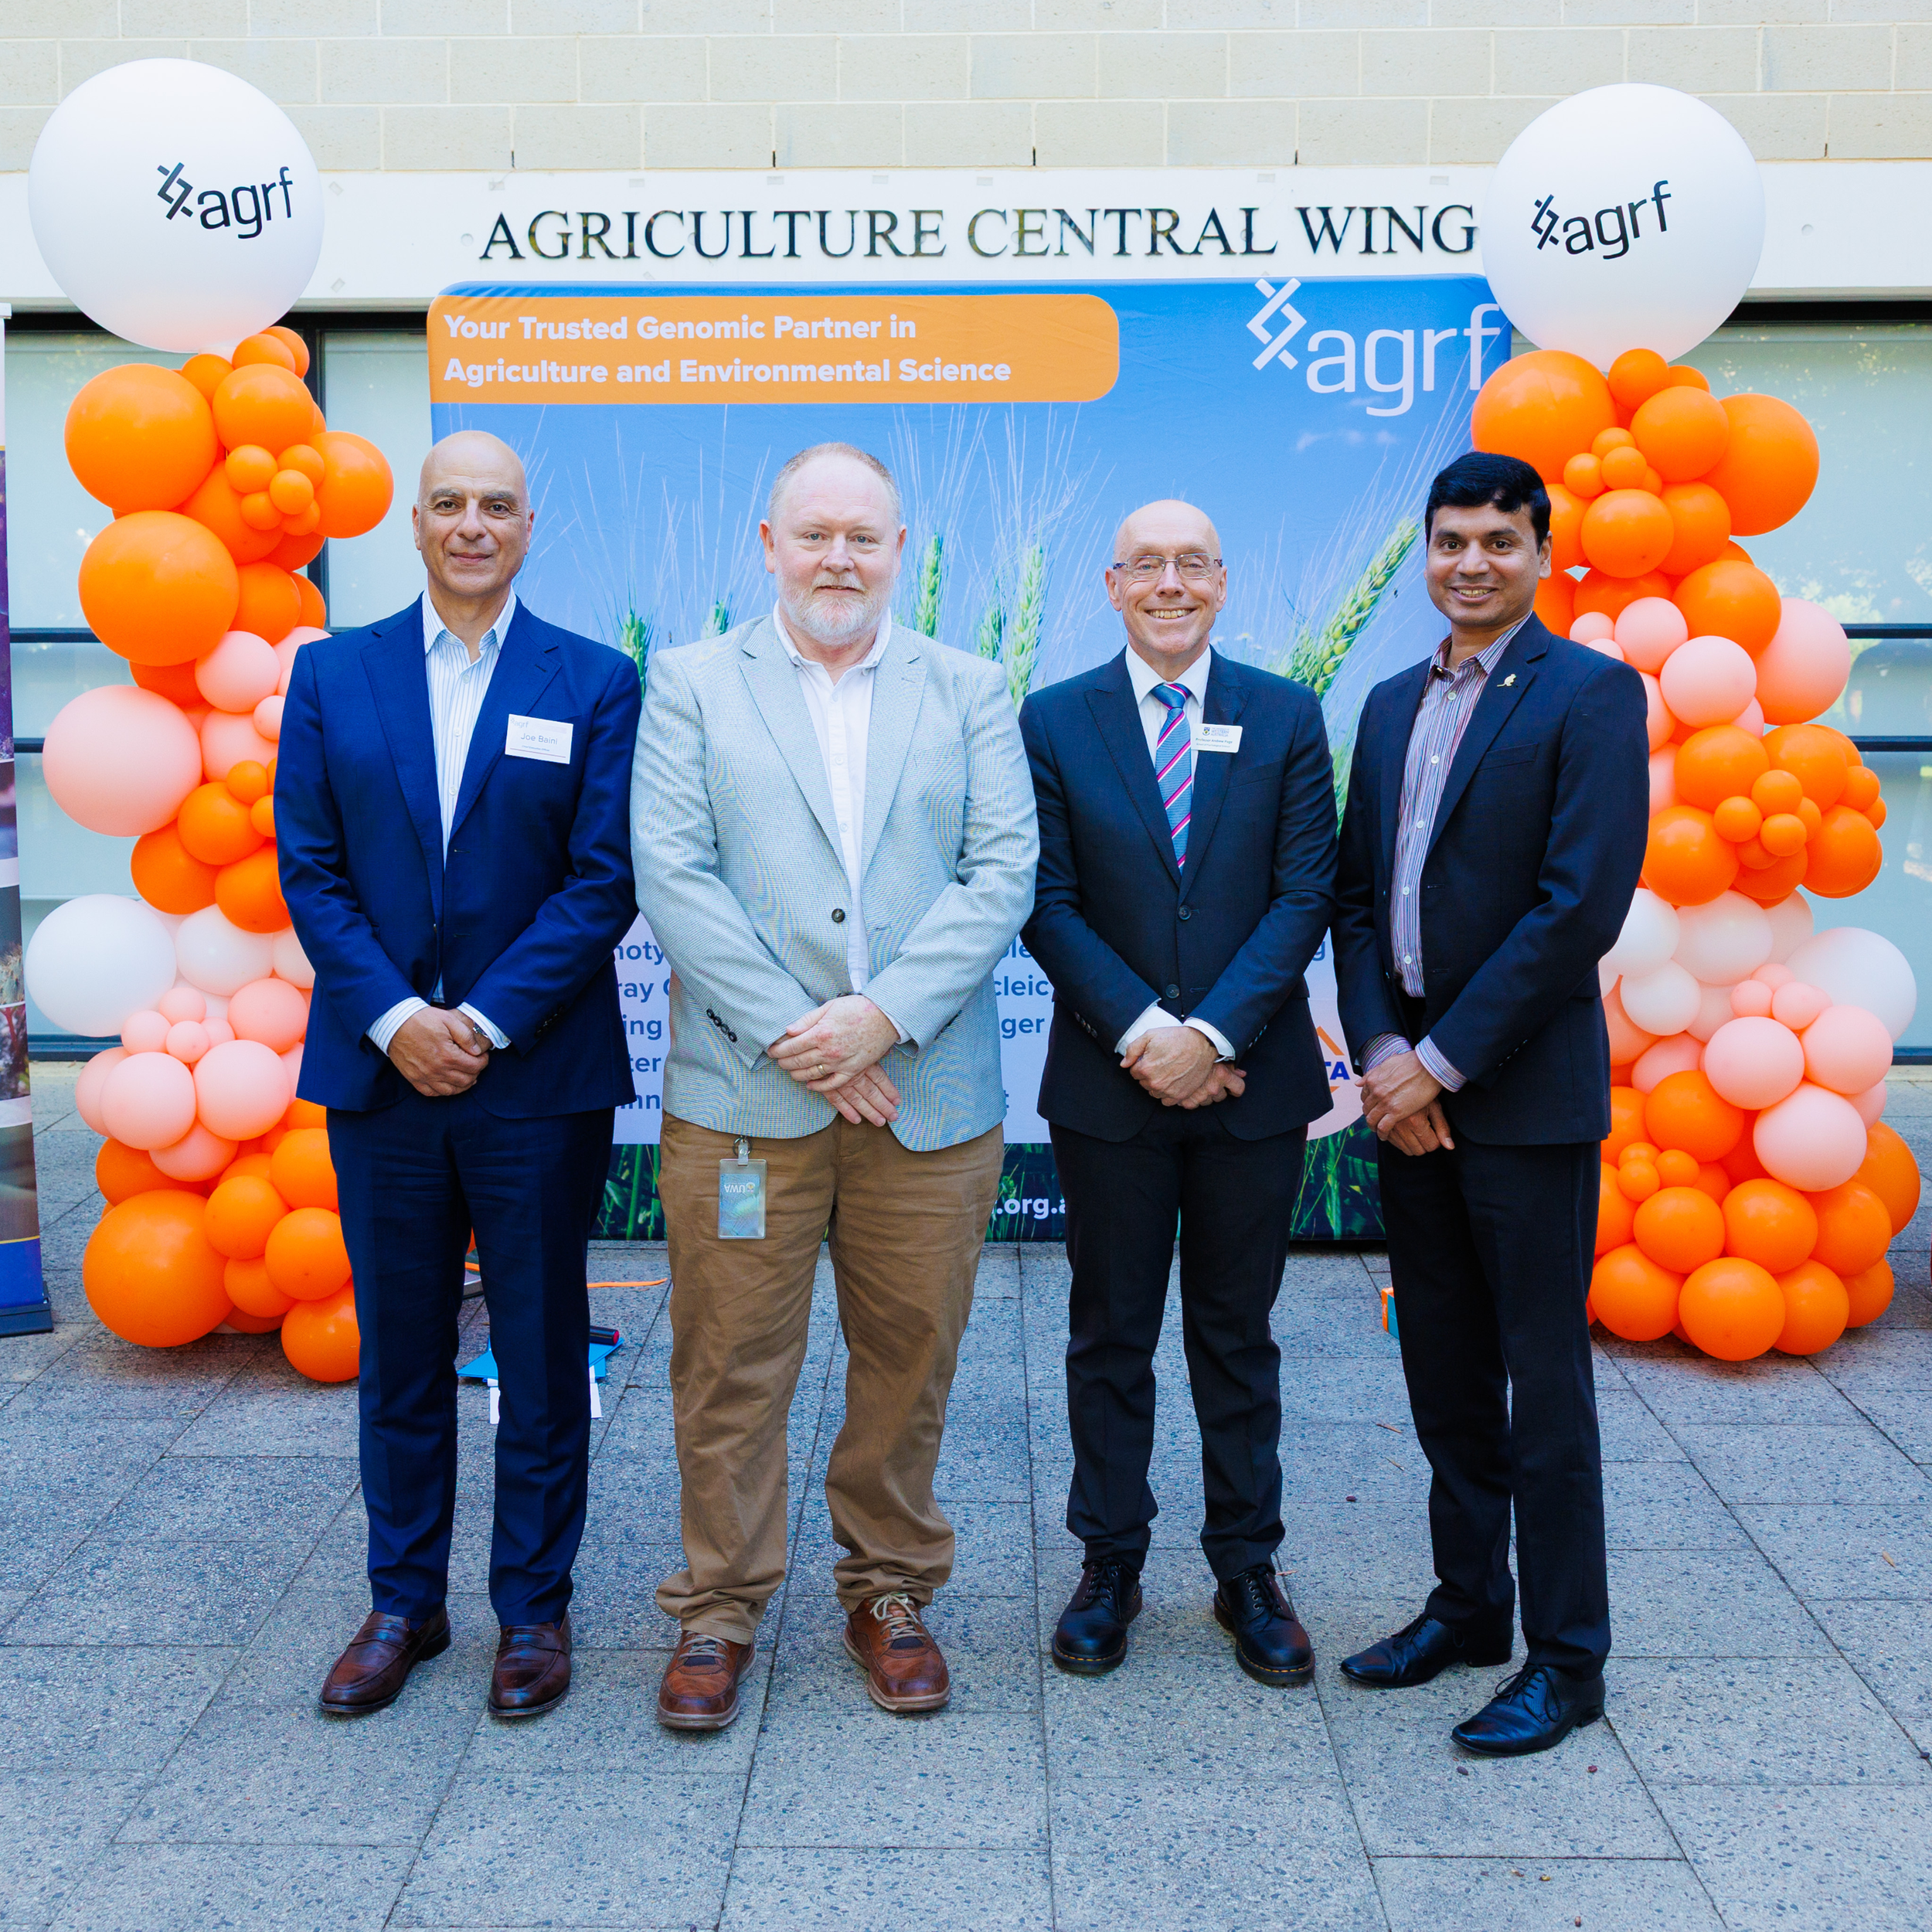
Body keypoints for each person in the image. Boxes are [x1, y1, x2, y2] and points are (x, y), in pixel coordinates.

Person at [631, 442, 1037, 1731]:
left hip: (928, 1098)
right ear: (769, 545)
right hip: (746, 1104)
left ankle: (890, 1590)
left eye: (864, 536)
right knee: (730, 1362)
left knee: (909, 1359)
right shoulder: (692, 683)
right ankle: (718, 1606)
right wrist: (802, 1035)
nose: (839, 559)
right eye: (815, 534)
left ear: (900, 549)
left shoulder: (969, 688)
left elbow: (1001, 872)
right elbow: (674, 874)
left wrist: (881, 1020)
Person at [278, 430, 642, 1723]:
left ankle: (533, 1609)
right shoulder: (333, 674)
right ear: (417, 524)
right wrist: (395, 1019)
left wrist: (479, 1021)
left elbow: (603, 880)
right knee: (401, 1351)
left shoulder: (594, 680)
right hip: (382, 1076)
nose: (473, 524)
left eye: (497, 504)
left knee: (541, 1352)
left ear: (529, 527)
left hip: (535, 1076)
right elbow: (310, 869)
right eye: (450, 503)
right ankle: (404, 1604)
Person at [1330, 451, 1648, 1756]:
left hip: (1517, 1101)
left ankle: (1567, 1661)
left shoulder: (1588, 693)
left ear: (1541, 554)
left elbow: (1579, 909)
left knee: (1543, 1385)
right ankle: (1468, 1608)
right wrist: (1382, 1052)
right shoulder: (1388, 705)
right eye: (1451, 541)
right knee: (1446, 1372)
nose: (1472, 564)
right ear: (1428, 551)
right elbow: (1357, 902)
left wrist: (1441, 1061)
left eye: (1498, 543)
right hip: (1410, 1097)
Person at [1019, 500, 1338, 1686]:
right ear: (1111, 585)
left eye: (1191, 563)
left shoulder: (1287, 713)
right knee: (1110, 1333)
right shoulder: (1055, 719)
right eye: (1146, 564)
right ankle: (1110, 1562)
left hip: (1252, 1085)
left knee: (1236, 1333)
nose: (1169, 583)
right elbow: (1046, 899)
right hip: (1110, 1085)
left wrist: (1211, 1035)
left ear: (1222, 581)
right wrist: (1151, 1034)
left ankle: (1247, 1567)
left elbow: (1304, 893)